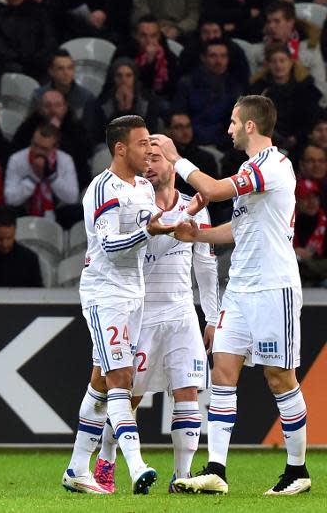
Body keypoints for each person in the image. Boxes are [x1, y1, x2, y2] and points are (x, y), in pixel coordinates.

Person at [151, 94, 311, 495]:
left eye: (234, 122)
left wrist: (178, 159)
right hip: (240, 287)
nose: (229, 129)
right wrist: (198, 235)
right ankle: (217, 470)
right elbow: (239, 230)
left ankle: (297, 471)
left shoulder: (274, 165)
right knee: (222, 374)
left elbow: (216, 191)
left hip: (274, 286)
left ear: (251, 126)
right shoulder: (249, 168)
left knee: (280, 378)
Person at [62, 115, 181, 495]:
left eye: (151, 143)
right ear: (121, 148)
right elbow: (111, 247)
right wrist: (148, 230)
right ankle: (134, 465)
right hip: (105, 293)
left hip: (135, 294)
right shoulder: (102, 189)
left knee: (100, 381)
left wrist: (178, 225)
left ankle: (76, 470)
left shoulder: (145, 187)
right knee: (121, 380)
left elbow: (150, 238)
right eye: (143, 143)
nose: (150, 149)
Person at [92, 142, 219, 494]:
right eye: (144, 158)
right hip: (141, 311)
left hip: (181, 311)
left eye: (156, 158)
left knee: (188, 390)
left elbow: (206, 265)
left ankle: (182, 476)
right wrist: (183, 218)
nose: (148, 165)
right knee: (128, 395)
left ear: (172, 165)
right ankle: (106, 462)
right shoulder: (136, 204)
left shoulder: (197, 205)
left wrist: (211, 316)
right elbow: (143, 246)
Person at [4, 122, 81, 228]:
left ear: (55, 148)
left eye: (44, 149)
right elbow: (9, 199)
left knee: (77, 212)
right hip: (25, 209)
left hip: (56, 211)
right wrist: (33, 178)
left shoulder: (65, 160)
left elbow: (72, 198)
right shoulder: (17, 159)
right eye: (35, 145)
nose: (37, 151)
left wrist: (52, 177)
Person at [293, 177, 327, 286]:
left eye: (315, 197)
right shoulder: (285, 225)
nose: (312, 202)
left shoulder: (324, 222)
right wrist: (292, 252)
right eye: (306, 198)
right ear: (296, 200)